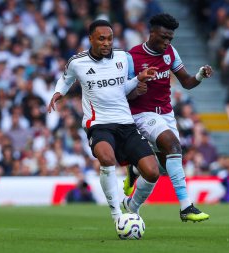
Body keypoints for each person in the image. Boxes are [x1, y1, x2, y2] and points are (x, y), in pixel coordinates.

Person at [48, 20, 160, 224]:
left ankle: (132, 206)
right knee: (107, 159)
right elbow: (65, 79)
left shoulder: (123, 58)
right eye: (101, 39)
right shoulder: (77, 62)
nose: (107, 43)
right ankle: (117, 215)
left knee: (153, 172)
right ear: (90, 39)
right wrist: (58, 93)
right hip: (98, 124)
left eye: (110, 38)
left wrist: (138, 79)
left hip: (125, 123)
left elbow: (123, 89)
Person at [122, 13, 211, 222]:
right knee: (173, 146)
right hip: (142, 115)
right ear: (151, 33)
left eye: (170, 38)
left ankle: (131, 203)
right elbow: (121, 93)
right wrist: (135, 90)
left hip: (166, 115)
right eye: (163, 37)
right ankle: (186, 206)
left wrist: (200, 75)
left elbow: (187, 82)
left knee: (158, 170)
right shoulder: (131, 57)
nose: (167, 42)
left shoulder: (170, 53)